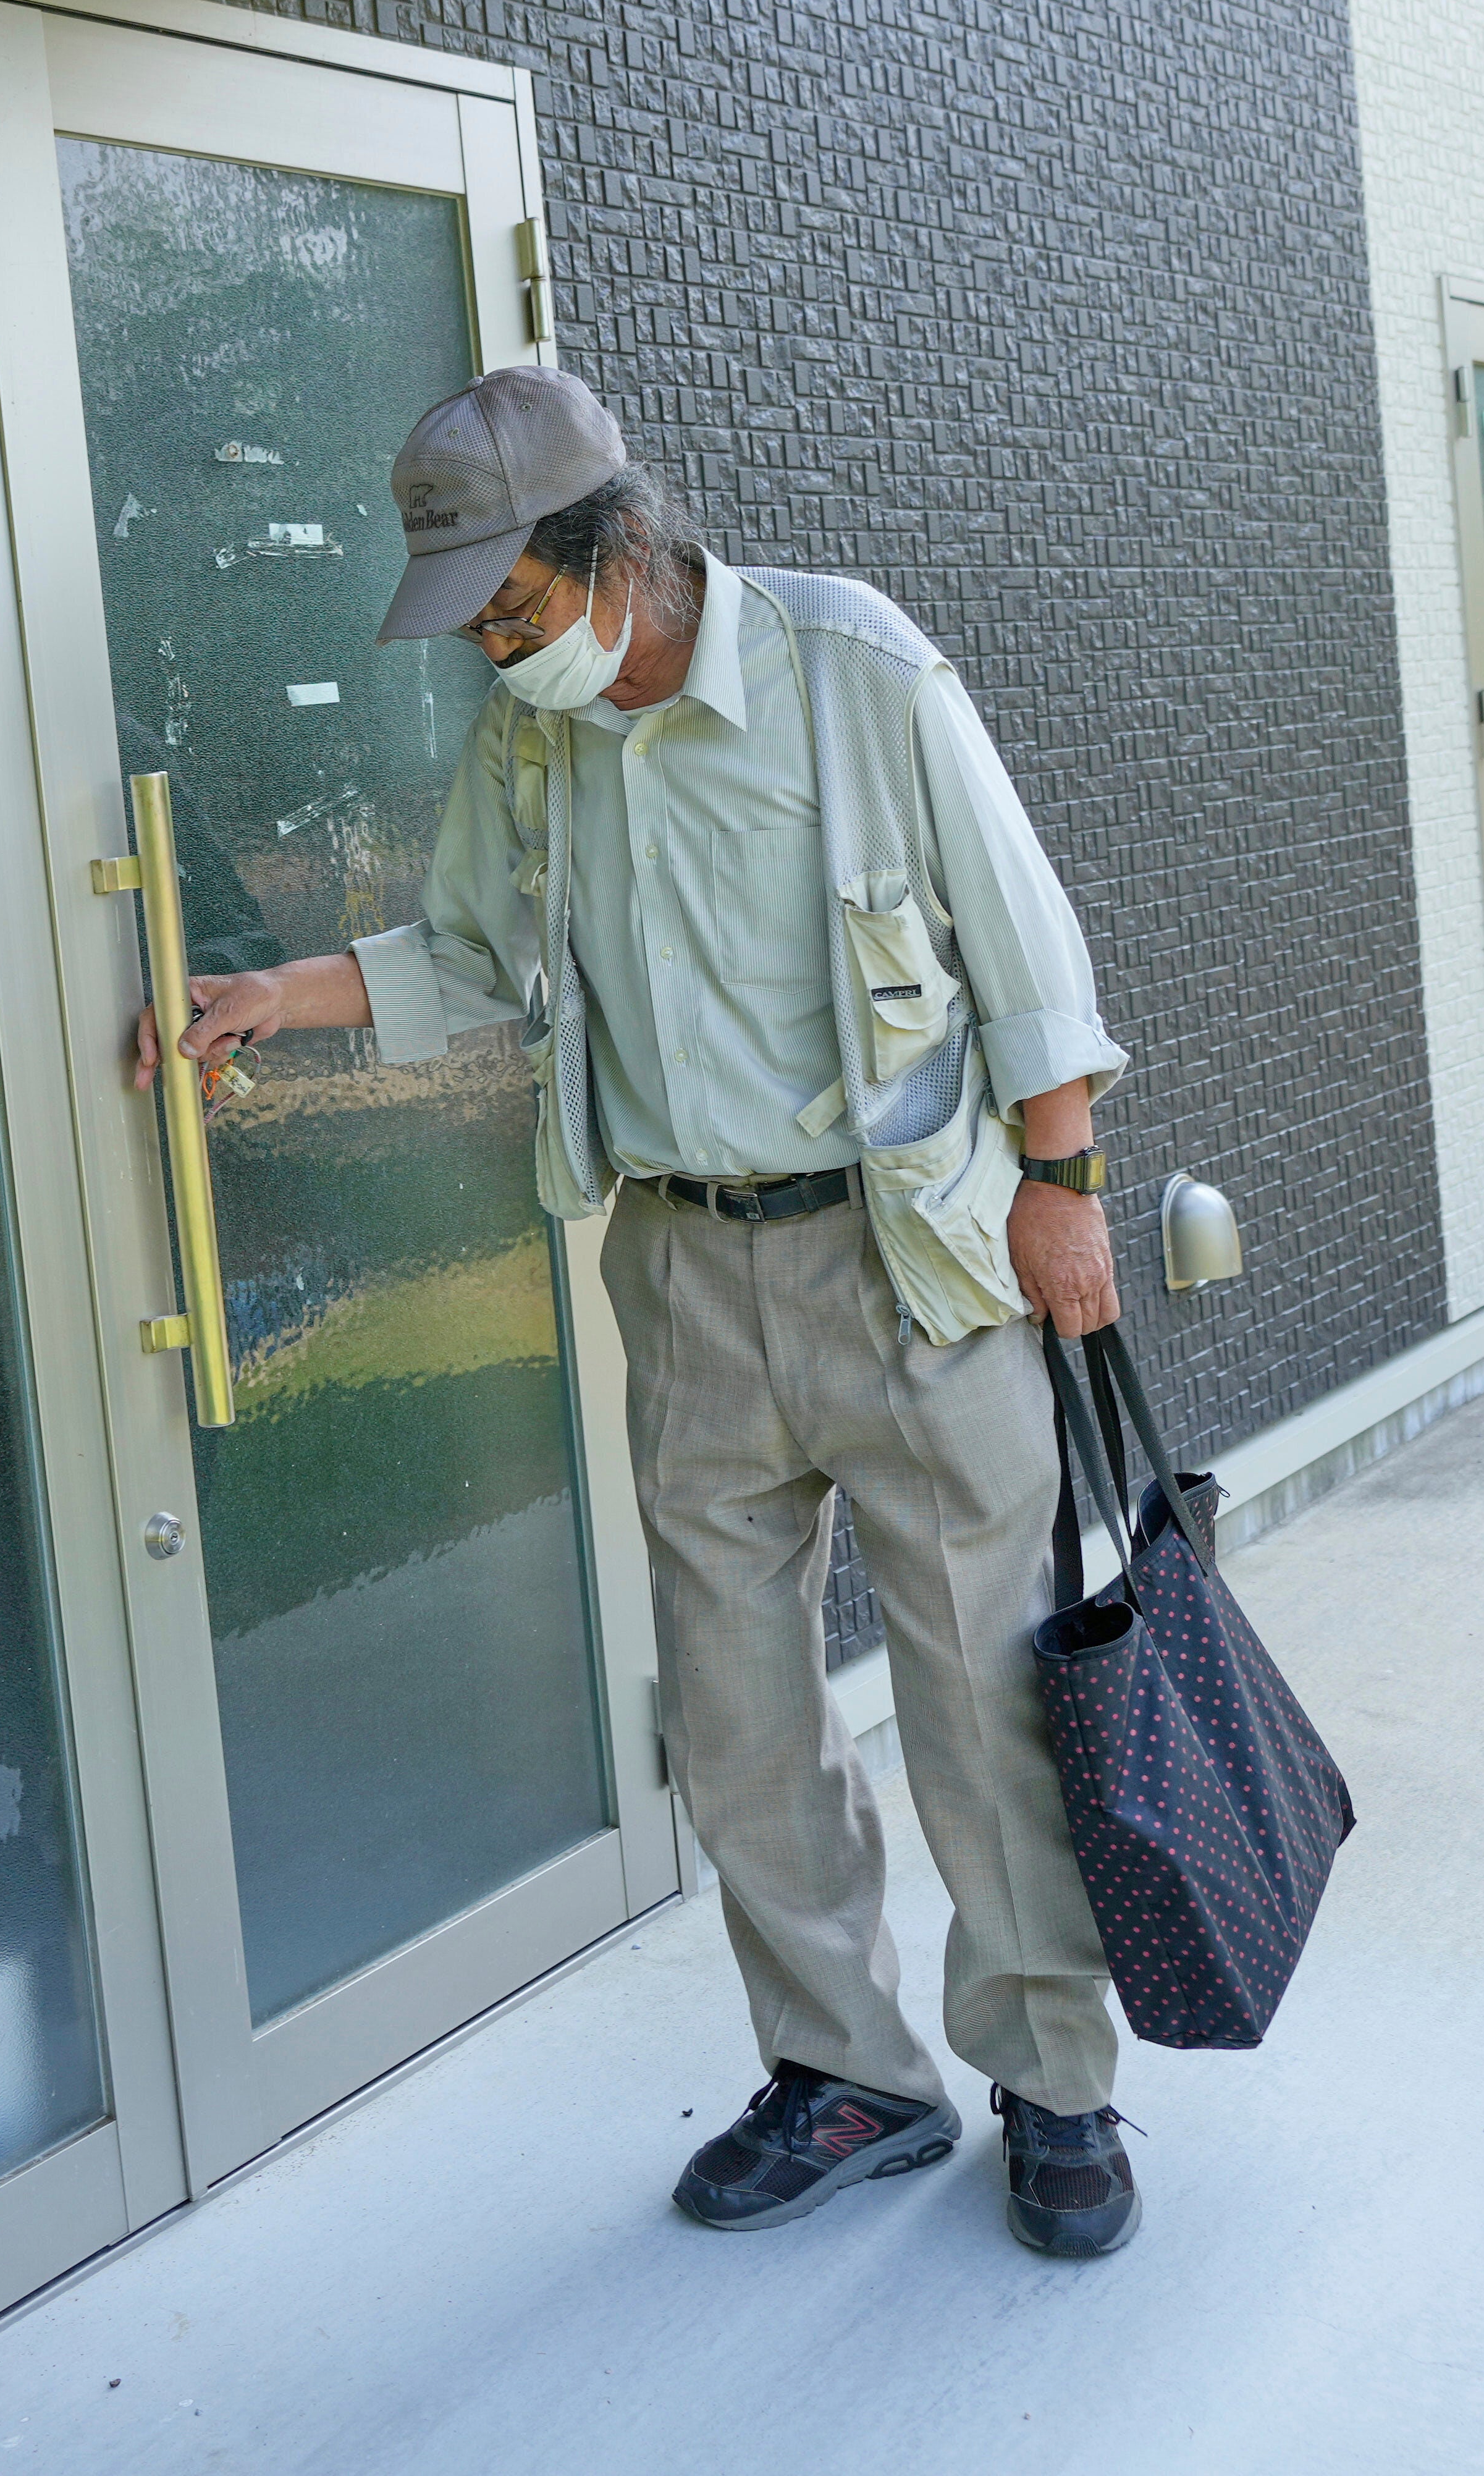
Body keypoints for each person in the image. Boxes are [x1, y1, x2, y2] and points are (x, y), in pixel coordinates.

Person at [138, 363, 1145, 2260]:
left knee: (976, 1685)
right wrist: (277, 994)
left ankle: (1053, 2083)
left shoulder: (856, 672)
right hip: (682, 1267)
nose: (499, 661)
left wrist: (1063, 1189)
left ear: (619, 550)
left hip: (907, 1257)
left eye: (513, 617)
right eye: (478, 635)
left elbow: (1026, 942)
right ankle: (842, 2072)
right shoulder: (538, 742)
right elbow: (461, 954)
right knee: (735, 1705)